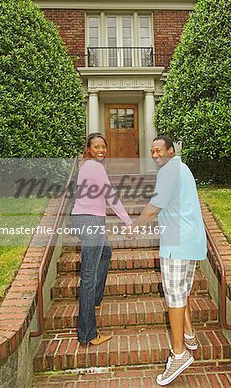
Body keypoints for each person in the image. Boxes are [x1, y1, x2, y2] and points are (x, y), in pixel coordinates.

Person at [127, 135, 207, 386]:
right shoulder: (182, 168)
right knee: (181, 292)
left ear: (171, 151)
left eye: (159, 150)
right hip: (191, 240)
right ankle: (190, 335)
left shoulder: (169, 170)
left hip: (177, 243)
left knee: (173, 296)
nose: (155, 154)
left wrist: (135, 226)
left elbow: (155, 206)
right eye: (152, 151)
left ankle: (179, 354)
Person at [71, 132, 132, 345]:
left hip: (80, 220)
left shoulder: (85, 165)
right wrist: (128, 221)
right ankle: (88, 334)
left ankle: (95, 299)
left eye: (103, 147)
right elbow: (111, 196)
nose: (101, 150)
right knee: (87, 277)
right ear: (88, 149)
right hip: (91, 222)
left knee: (106, 251)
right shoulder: (94, 167)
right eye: (96, 147)